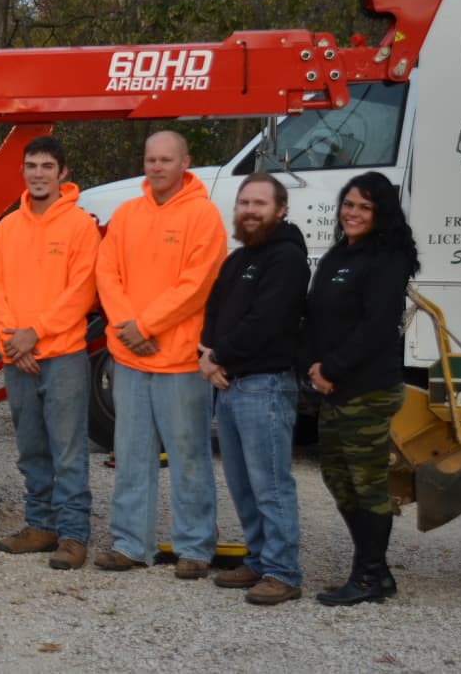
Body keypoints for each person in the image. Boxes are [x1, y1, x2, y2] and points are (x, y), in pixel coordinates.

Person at [93, 130, 226, 578]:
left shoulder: (203, 216)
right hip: (130, 358)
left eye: (166, 159)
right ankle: (131, 544)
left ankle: (195, 548)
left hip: (180, 361)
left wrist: (145, 326)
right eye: (151, 159)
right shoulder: (126, 214)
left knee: (189, 458)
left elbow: (197, 284)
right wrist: (129, 328)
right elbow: (107, 273)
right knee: (131, 456)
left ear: (185, 162)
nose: (157, 167)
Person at [302, 171, 418, 606]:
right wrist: (313, 367)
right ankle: (377, 570)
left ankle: (368, 575)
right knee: (338, 478)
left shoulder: (388, 258)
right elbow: (316, 315)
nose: (353, 213)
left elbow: (376, 327)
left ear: (380, 213)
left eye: (364, 207)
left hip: (368, 389)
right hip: (333, 387)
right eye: (349, 204)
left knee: (367, 484)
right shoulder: (338, 255)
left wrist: (332, 367)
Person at [0, 137, 99, 569]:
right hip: (18, 355)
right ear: (23, 171)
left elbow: (81, 291)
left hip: (62, 354)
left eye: (47, 166)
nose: (38, 174)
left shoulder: (80, 226)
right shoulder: (8, 227)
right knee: (31, 447)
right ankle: (40, 524)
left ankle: (73, 534)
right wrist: (13, 340)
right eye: (31, 166)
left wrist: (36, 335)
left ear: (62, 172)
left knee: (68, 449)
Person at [199, 173, 309, 604]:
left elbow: (267, 321)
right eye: (244, 203)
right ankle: (260, 559)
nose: (249, 211)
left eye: (259, 204)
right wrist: (207, 355)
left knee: (271, 484)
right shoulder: (239, 260)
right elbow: (213, 310)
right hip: (230, 386)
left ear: (281, 209)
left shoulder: (287, 259)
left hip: (265, 386)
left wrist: (219, 355)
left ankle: (283, 571)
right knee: (243, 484)